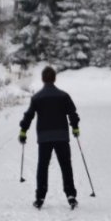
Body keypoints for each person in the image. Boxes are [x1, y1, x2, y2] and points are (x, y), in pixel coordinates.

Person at [19, 66, 81, 209]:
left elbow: (29, 115)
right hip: (61, 136)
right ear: (54, 78)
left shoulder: (37, 97)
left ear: (42, 79)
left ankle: (40, 197)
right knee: (66, 166)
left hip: (44, 137)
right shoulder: (64, 96)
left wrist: (23, 131)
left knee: (43, 166)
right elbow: (72, 113)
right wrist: (75, 127)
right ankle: (71, 195)